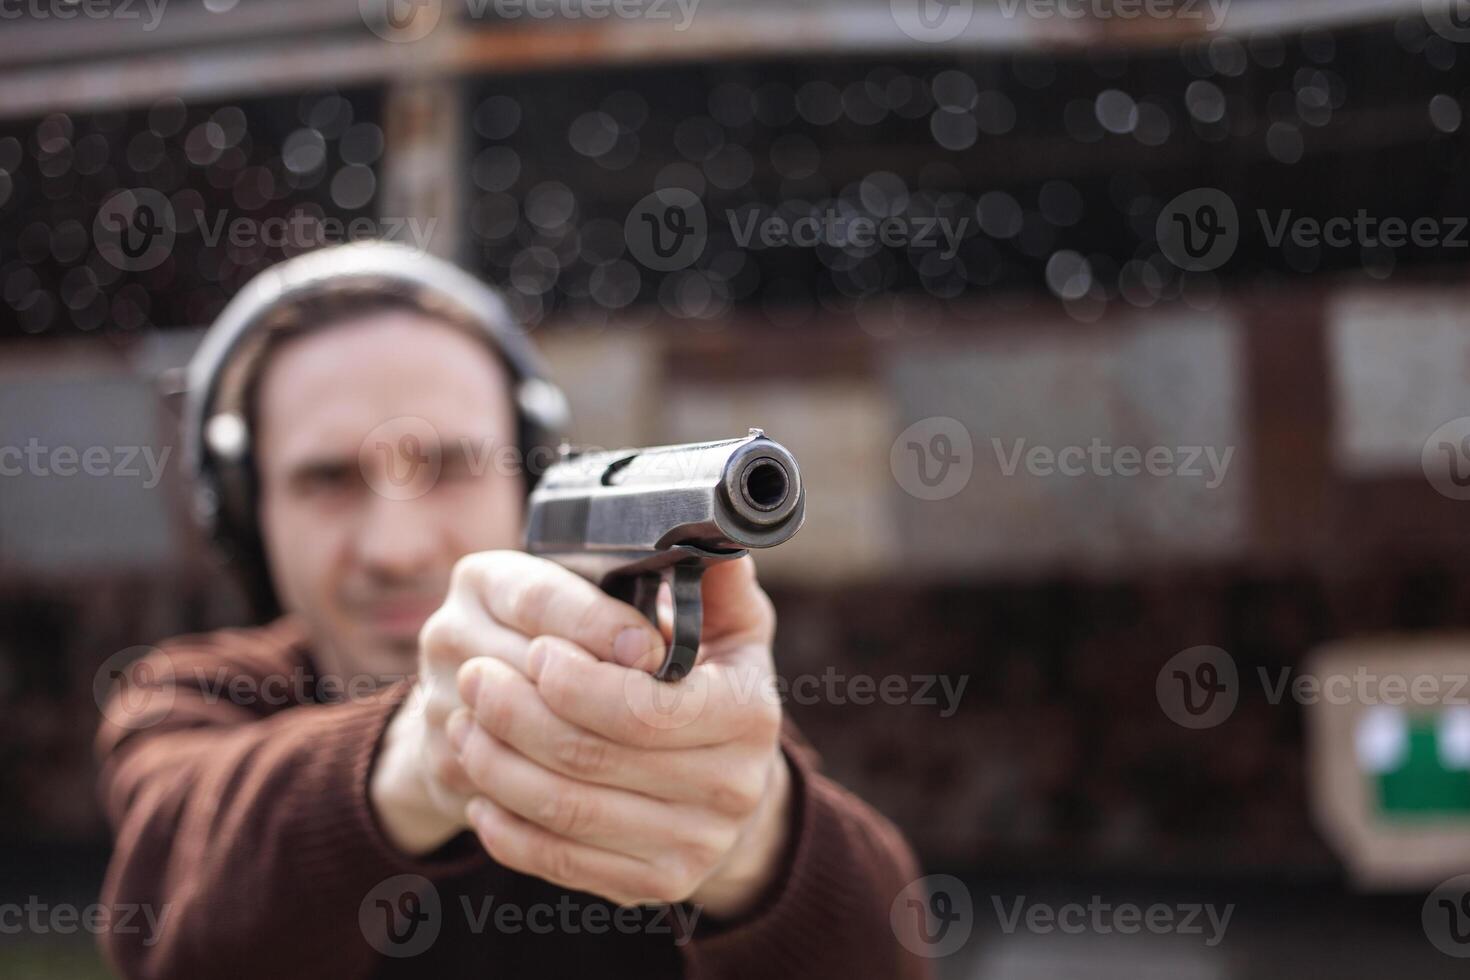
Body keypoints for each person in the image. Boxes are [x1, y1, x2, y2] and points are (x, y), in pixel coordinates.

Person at [95, 242, 931, 978]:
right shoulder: (191, 698)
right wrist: (426, 750)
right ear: (245, 511)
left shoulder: (631, 694)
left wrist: (752, 842)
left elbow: (889, 952)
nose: (397, 547)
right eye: (327, 479)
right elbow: (174, 934)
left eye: (453, 466)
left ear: (526, 475)